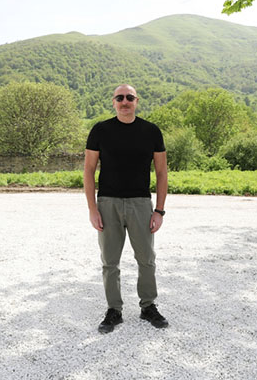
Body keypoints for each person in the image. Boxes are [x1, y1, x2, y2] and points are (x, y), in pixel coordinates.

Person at [84, 84, 169, 334]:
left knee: (146, 259)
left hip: (141, 203)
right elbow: (88, 170)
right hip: (107, 203)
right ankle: (114, 310)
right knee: (110, 261)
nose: (124, 101)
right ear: (113, 102)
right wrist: (92, 209)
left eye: (129, 97)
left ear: (136, 101)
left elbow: (162, 172)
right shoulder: (100, 130)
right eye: (119, 97)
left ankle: (148, 306)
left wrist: (159, 210)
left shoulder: (151, 131)